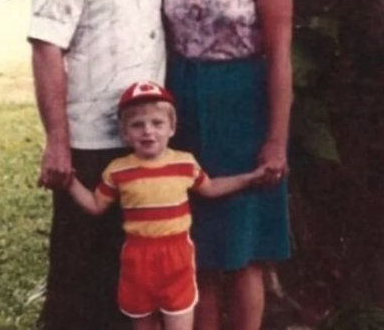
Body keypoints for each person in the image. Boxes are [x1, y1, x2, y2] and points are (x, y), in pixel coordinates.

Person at [28, 0, 166, 330]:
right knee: (78, 279)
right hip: (89, 144)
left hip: (147, 141)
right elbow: (47, 48)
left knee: (133, 279)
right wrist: (57, 142)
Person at [163, 0, 293, 330]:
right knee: (195, 247)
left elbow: (279, 59)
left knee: (242, 249)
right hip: (182, 106)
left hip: (242, 107)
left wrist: (275, 139)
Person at [68, 81, 274, 330]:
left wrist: (249, 178)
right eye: (137, 125)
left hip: (177, 257)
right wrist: (69, 182)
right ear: (124, 133)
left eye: (157, 123)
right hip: (138, 259)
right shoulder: (118, 170)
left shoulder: (185, 164)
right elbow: (95, 205)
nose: (148, 131)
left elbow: (211, 188)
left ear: (172, 128)